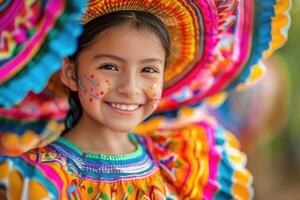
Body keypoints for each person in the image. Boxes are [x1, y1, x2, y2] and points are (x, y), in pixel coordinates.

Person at [0, 0, 291, 199]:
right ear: (70, 73)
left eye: (149, 70)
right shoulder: (34, 181)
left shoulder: (185, 163)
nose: (130, 87)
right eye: (109, 67)